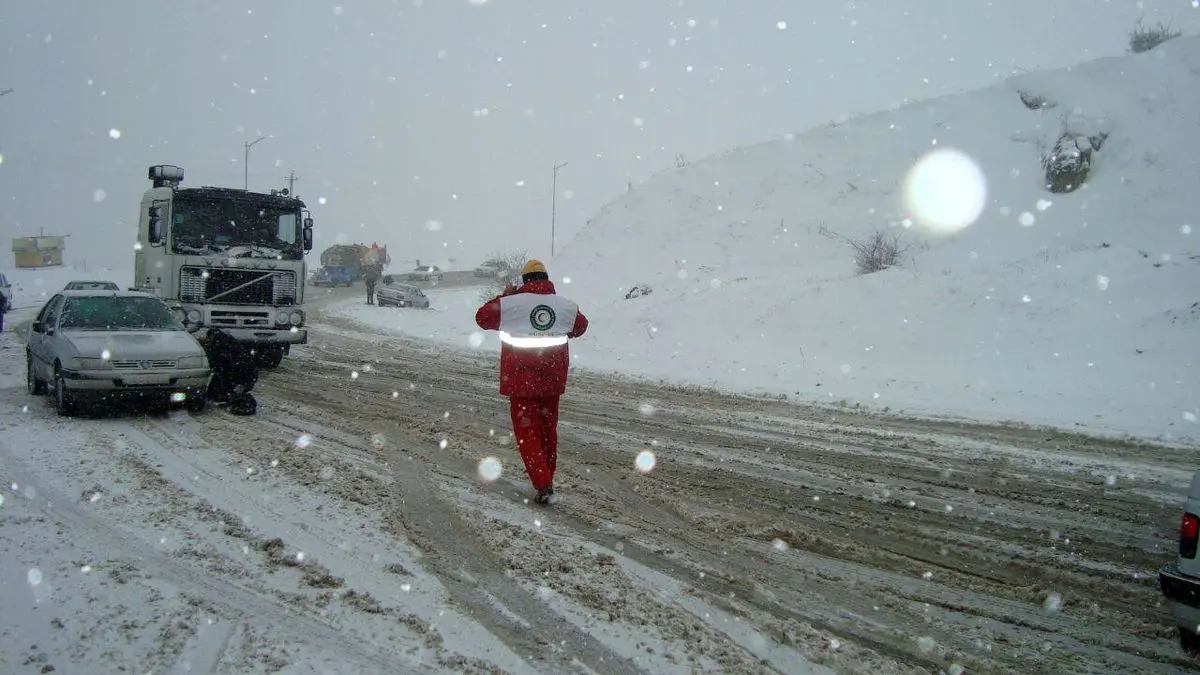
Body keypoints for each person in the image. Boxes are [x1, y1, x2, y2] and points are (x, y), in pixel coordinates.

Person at [474, 260, 588, 504]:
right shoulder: (565, 306)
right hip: (552, 381)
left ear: (524, 281)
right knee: (548, 432)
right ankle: (548, 476)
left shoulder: (511, 304)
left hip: (521, 382)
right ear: (546, 279)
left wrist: (506, 296)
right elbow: (580, 327)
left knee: (528, 434)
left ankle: (542, 481)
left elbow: (482, 318)